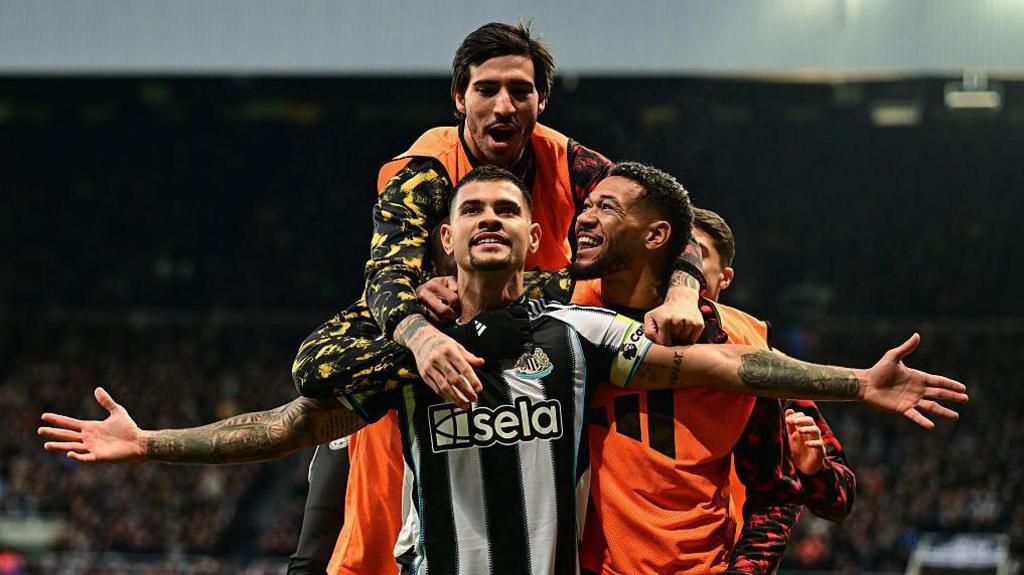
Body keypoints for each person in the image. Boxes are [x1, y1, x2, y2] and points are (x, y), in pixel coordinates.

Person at [40, 166, 967, 575]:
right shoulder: (405, 350)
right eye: (470, 207)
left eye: (507, 208)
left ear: (535, 236)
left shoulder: (577, 336)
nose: (488, 217)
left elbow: (719, 362)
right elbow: (287, 425)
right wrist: (148, 442)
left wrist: (851, 381)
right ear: (442, 236)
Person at [293, 20, 706, 574]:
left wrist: (682, 288)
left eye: (520, 90)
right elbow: (385, 280)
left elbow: (662, 219)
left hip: (538, 365)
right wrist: (421, 334)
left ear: (541, 101)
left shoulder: (567, 161)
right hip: (433, 361)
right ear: (459, 98)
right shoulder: (425, 170)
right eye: (487, 89)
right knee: (351, 543)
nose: (504, 105)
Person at [691, 207, 857, 528]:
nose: (683, 266)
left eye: (697, 254)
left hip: (728, 555)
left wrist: (813, 469)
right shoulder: (622, 341)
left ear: (724, 278)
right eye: (675, 254)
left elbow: (841, 498)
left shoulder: (760, 360)